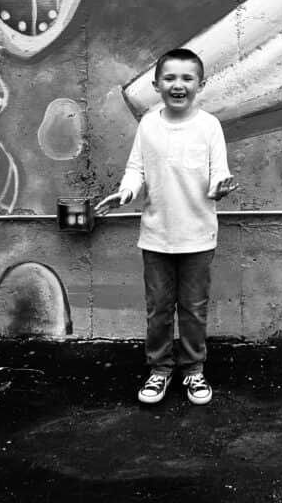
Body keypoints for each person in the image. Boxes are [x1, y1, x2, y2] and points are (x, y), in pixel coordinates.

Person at [96, 47, 237, 406]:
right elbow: (136, 170)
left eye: (187, 78)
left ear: (200, 84)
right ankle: (159, 370)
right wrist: (125, 193)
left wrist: (220, 186)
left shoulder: (210, 126)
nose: (179, 84)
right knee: (158, 309)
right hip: (156, 237)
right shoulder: (148, 125)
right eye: (170, 78)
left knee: (193, 309)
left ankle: (193, 370)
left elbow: (219, 171)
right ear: (156, 84)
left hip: (199, 237)